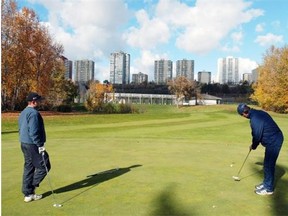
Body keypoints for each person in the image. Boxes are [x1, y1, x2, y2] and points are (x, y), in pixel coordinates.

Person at [237, 103, 284, 195]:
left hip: (274, 140)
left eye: (242, 115)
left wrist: (253, 146)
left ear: (244, 114)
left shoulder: (255, 119)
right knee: (267, 164)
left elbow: (257, 135)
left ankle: (268, 189)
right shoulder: (257, 113)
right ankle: (266, 183)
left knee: (269, 164)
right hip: (273, 139)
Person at [18, 92, 51, 202]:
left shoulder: (23, 112)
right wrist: (40, 145)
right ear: (33, 101)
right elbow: (33, 132)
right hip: (33, 144)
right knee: (44, 166)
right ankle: (30, 191)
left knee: (29, 167)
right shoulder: (33, 113)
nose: (40, 102)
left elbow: (21, 129)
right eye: (38, 101)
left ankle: (28, 194)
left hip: (24, 143)